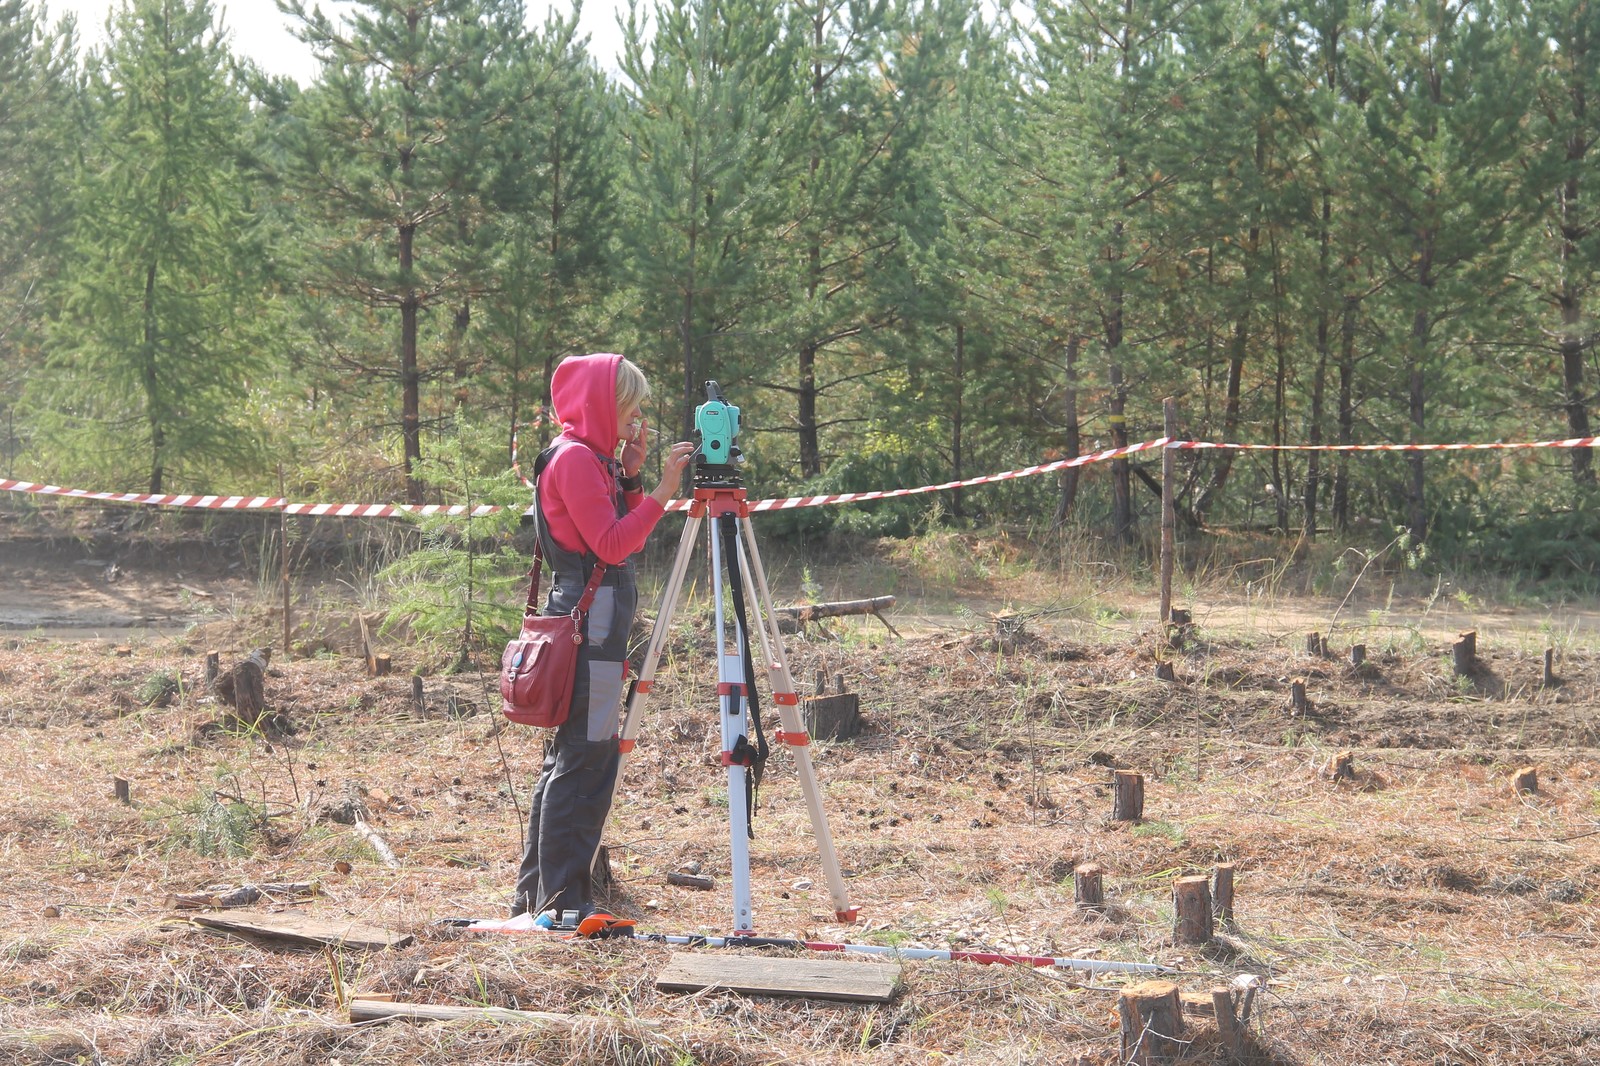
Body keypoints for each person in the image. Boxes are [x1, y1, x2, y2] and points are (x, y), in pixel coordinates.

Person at [514, 353, 695, 928]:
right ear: (602, 404)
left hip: (596, 621)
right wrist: (665, 491)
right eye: (630, 405)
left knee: (573, 756)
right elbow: (613, 546)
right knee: (586, 758)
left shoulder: (590, 459)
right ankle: (562, 903)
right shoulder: (574, 461)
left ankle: (539, 899)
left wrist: (635, 477)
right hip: (591, 623)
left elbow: (612, 535)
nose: (637, 415)